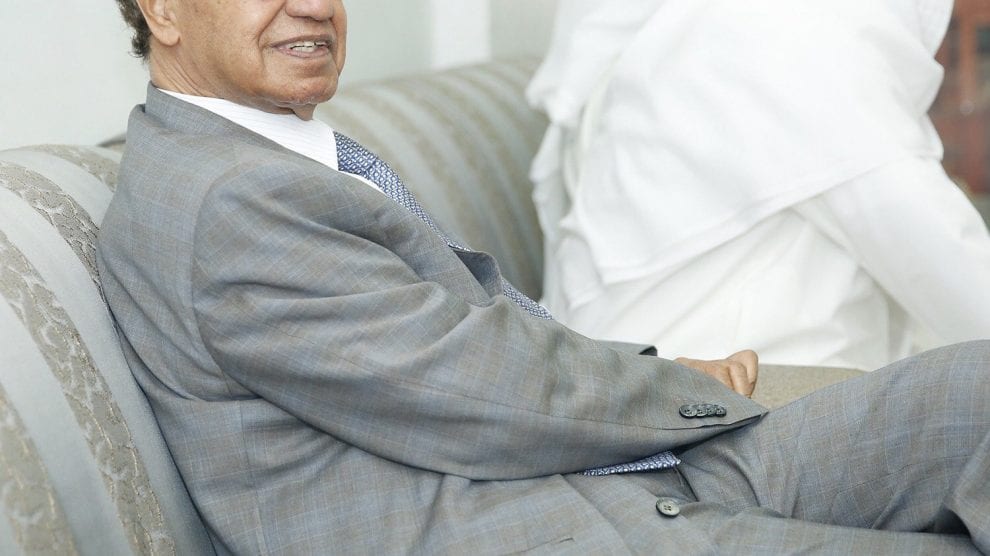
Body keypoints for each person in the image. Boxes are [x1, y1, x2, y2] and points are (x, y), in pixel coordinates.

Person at [97, 0, 990, 553]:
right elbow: (472, 383)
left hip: (606, 472)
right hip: (536, 525)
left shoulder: (266, 153)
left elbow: (465, 351)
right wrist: (681, 385)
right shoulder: (229, 199)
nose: (314, 8)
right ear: (162, 9)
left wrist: (655, 379)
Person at [527, 0, 990, 371]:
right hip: (715, 410)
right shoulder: (784, 27)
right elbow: (943, 260)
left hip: (681, 380)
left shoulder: (717, 21)